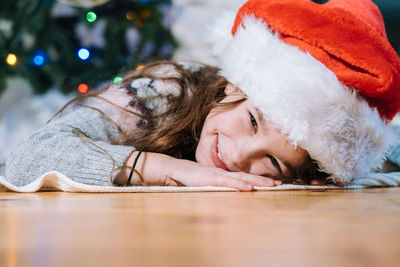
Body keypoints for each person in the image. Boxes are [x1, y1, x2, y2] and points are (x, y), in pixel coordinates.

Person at [5, 0, 400, 191]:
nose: (238, 155)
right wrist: (172, 169)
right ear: (234, 86)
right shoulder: (166, 90)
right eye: (251, 121)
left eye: (273, 162)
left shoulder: (314, 168)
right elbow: (30, 157)